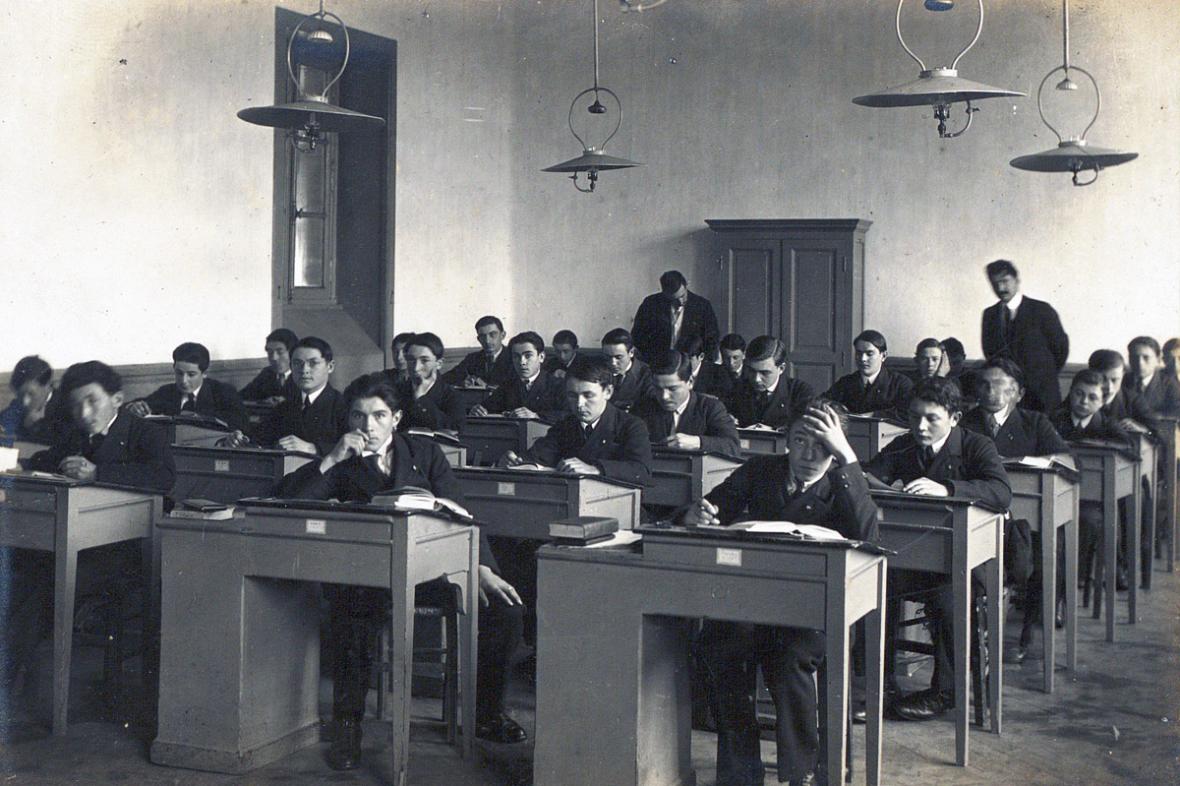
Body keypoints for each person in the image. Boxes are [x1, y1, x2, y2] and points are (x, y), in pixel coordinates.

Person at [274, 375, 526, 770]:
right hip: (366, 578)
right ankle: (348, 728)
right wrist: (330, 459)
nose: (367, 426)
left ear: (396, 418)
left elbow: (463, 514)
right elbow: (289, 505)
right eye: (358, 416)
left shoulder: (425, 453)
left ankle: (487, 713)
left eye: (378, 416)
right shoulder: (340, 459)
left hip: (428, 575)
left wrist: (480, 567)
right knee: (351, 615)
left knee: (503, 607)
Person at [684, 400, 877, 786]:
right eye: (800, 441)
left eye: (822, 446)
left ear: (837, 449)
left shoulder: (843, 483)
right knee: (723, 643)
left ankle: (801, 772)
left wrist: (848, 459)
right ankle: (740, 772)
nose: (808, 455)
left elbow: (869, 537)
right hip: (754, 603)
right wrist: (693, 515)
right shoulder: (760, 470)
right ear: (785, 441)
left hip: (817, 612)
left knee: (789, 656)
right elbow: (710, 510)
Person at [8, 362, 174, 704]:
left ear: (117, 399)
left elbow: (163, 478)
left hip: (124, 550)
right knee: (18, 574)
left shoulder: (144, 433)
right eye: (74, 405)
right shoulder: (74, 434)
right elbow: (50, 459)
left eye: (91, 401)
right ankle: (12, 677)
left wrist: (99, 472)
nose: (83, 413)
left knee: (40, 586)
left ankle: (8, 680)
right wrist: (20, 465)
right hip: (75, 540)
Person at [863, 377, 1011, 721]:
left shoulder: (977, 446)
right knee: (872, 583)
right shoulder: (904, 445)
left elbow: (1001, 492)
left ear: (955, 418)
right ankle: (879, 683)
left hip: (969, 560)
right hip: (917, 557)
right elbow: (869, 474)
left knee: (951, 597)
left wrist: (947, 488)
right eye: (914, 416)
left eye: (931, 418)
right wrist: (882, 487)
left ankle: (945, 692)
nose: (920, 426)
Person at [960, 358, 1070, 658]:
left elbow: (1067, 462)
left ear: (1018, 393)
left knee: (1047, 551)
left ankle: (1029, 633)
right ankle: (974, 635)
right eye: (984, 384)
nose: (989, 391)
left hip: (1026, 520)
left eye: (999, 385)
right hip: (980, 515)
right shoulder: (964, 423)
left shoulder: (1035, 422)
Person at [1050, 369, 1134, 600]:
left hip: (1089, 501)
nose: (1083, 402)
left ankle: (1067, 590)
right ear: (1071, 392)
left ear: (1103, 400)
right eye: (1079, 394)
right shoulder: (1053, 420)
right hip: (1056, 495)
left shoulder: (1108, 426)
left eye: (1092, 397)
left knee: (1086, 521)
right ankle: (1048, 590)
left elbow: (1129, 450)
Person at [230, 336, 349, 455]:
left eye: (313, 363)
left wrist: (313, 448)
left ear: (330, 366)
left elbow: (356, 448)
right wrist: (239, 439)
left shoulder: (343, 406)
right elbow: (259, 438)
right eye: (297, 363)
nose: (304, 370)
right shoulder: (285, 407)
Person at [980, 260, 1069, 413]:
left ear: (1017, 280)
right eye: (995, 284)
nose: (1001, 288)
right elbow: (990, 353)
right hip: (1007, 397)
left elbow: (1061, 349)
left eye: (1005, 281)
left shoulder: (1042, 310)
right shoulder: (990, 315)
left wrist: (1042, 376)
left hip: (1043, 396)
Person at [633, 350, 741, 457]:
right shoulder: (642, 407)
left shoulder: (710, 407)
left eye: (672, 389)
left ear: (690, 382)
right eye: (658, 388)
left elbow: (733, 446)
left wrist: (698, 442)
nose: (664, 396)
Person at [127, 342, 249, 432]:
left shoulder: (223, 392)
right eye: (179, 373)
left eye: (191, 375)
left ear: (204, 373)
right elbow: (138, 405)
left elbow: (242, 427)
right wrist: (134, 407)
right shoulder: (167, 392)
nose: (183, 381)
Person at [471, 331, 566, 422]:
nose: (522, 362)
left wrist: (536, 416)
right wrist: (478, 410)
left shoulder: (557, 385)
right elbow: (487, 407)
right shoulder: (508, 385)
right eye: (516, 356)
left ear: (541, 357)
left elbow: (568, 415)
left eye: (528, 356)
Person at [630, 270, 721, 365]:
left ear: (686, 286)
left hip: (689, 364)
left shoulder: (702, 306)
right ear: (664, 294)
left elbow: (712, 339)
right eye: (675, 300)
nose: (681, 302)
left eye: (683, 295)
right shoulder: (650, 304)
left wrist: (705, 365)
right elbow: (637, 337)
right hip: (658, 365)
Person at [729, 336, 815, 429]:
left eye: (764, 373)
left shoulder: (800, 392)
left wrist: (773, 430)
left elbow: (805, 428)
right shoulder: (736, 388)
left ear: (781, 368)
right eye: (751, 371)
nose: (756, 379)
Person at [823, 330, 912, 417]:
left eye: (869, 354)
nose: (863, 359)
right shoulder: (846, 382)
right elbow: (824, 402)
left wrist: (874, 415)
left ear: (883, 356)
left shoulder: (900, 383)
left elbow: (907, 412)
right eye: (859, 353)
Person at [397, 332, 465, 431]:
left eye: (424, 361)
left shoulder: (453, 397)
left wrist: (421, 400)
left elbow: (454, 432)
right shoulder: (397, 391)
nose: (416, 368)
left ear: (439, 364)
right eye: (411, 360)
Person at [0, 355, 69, 445]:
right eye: (20, 395)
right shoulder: (16, 407)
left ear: (47, 386)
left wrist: (37, 427)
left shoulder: (66, 407)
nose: (25, 401)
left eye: (31, 394)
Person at [441, 316, 514, 388]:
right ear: (478, 339)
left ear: (503, 335)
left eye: (492, 335)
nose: (487, 341)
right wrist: (462, 382)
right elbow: (447, 378)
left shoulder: (514, 358)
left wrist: (488, 387)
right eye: (482, 336)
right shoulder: (472, 359)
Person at [239, 328, 300, 404]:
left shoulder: (303, 374)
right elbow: (241, 397)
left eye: (280, 352)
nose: (274, 358)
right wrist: (263, 402)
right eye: (270, 352)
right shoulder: (267, 373)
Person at [600, 327, 655, 413]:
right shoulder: (597, 368)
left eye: (618, 357)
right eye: (607, 357)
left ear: (631, 352)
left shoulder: (647, 374)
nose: (613, 363)